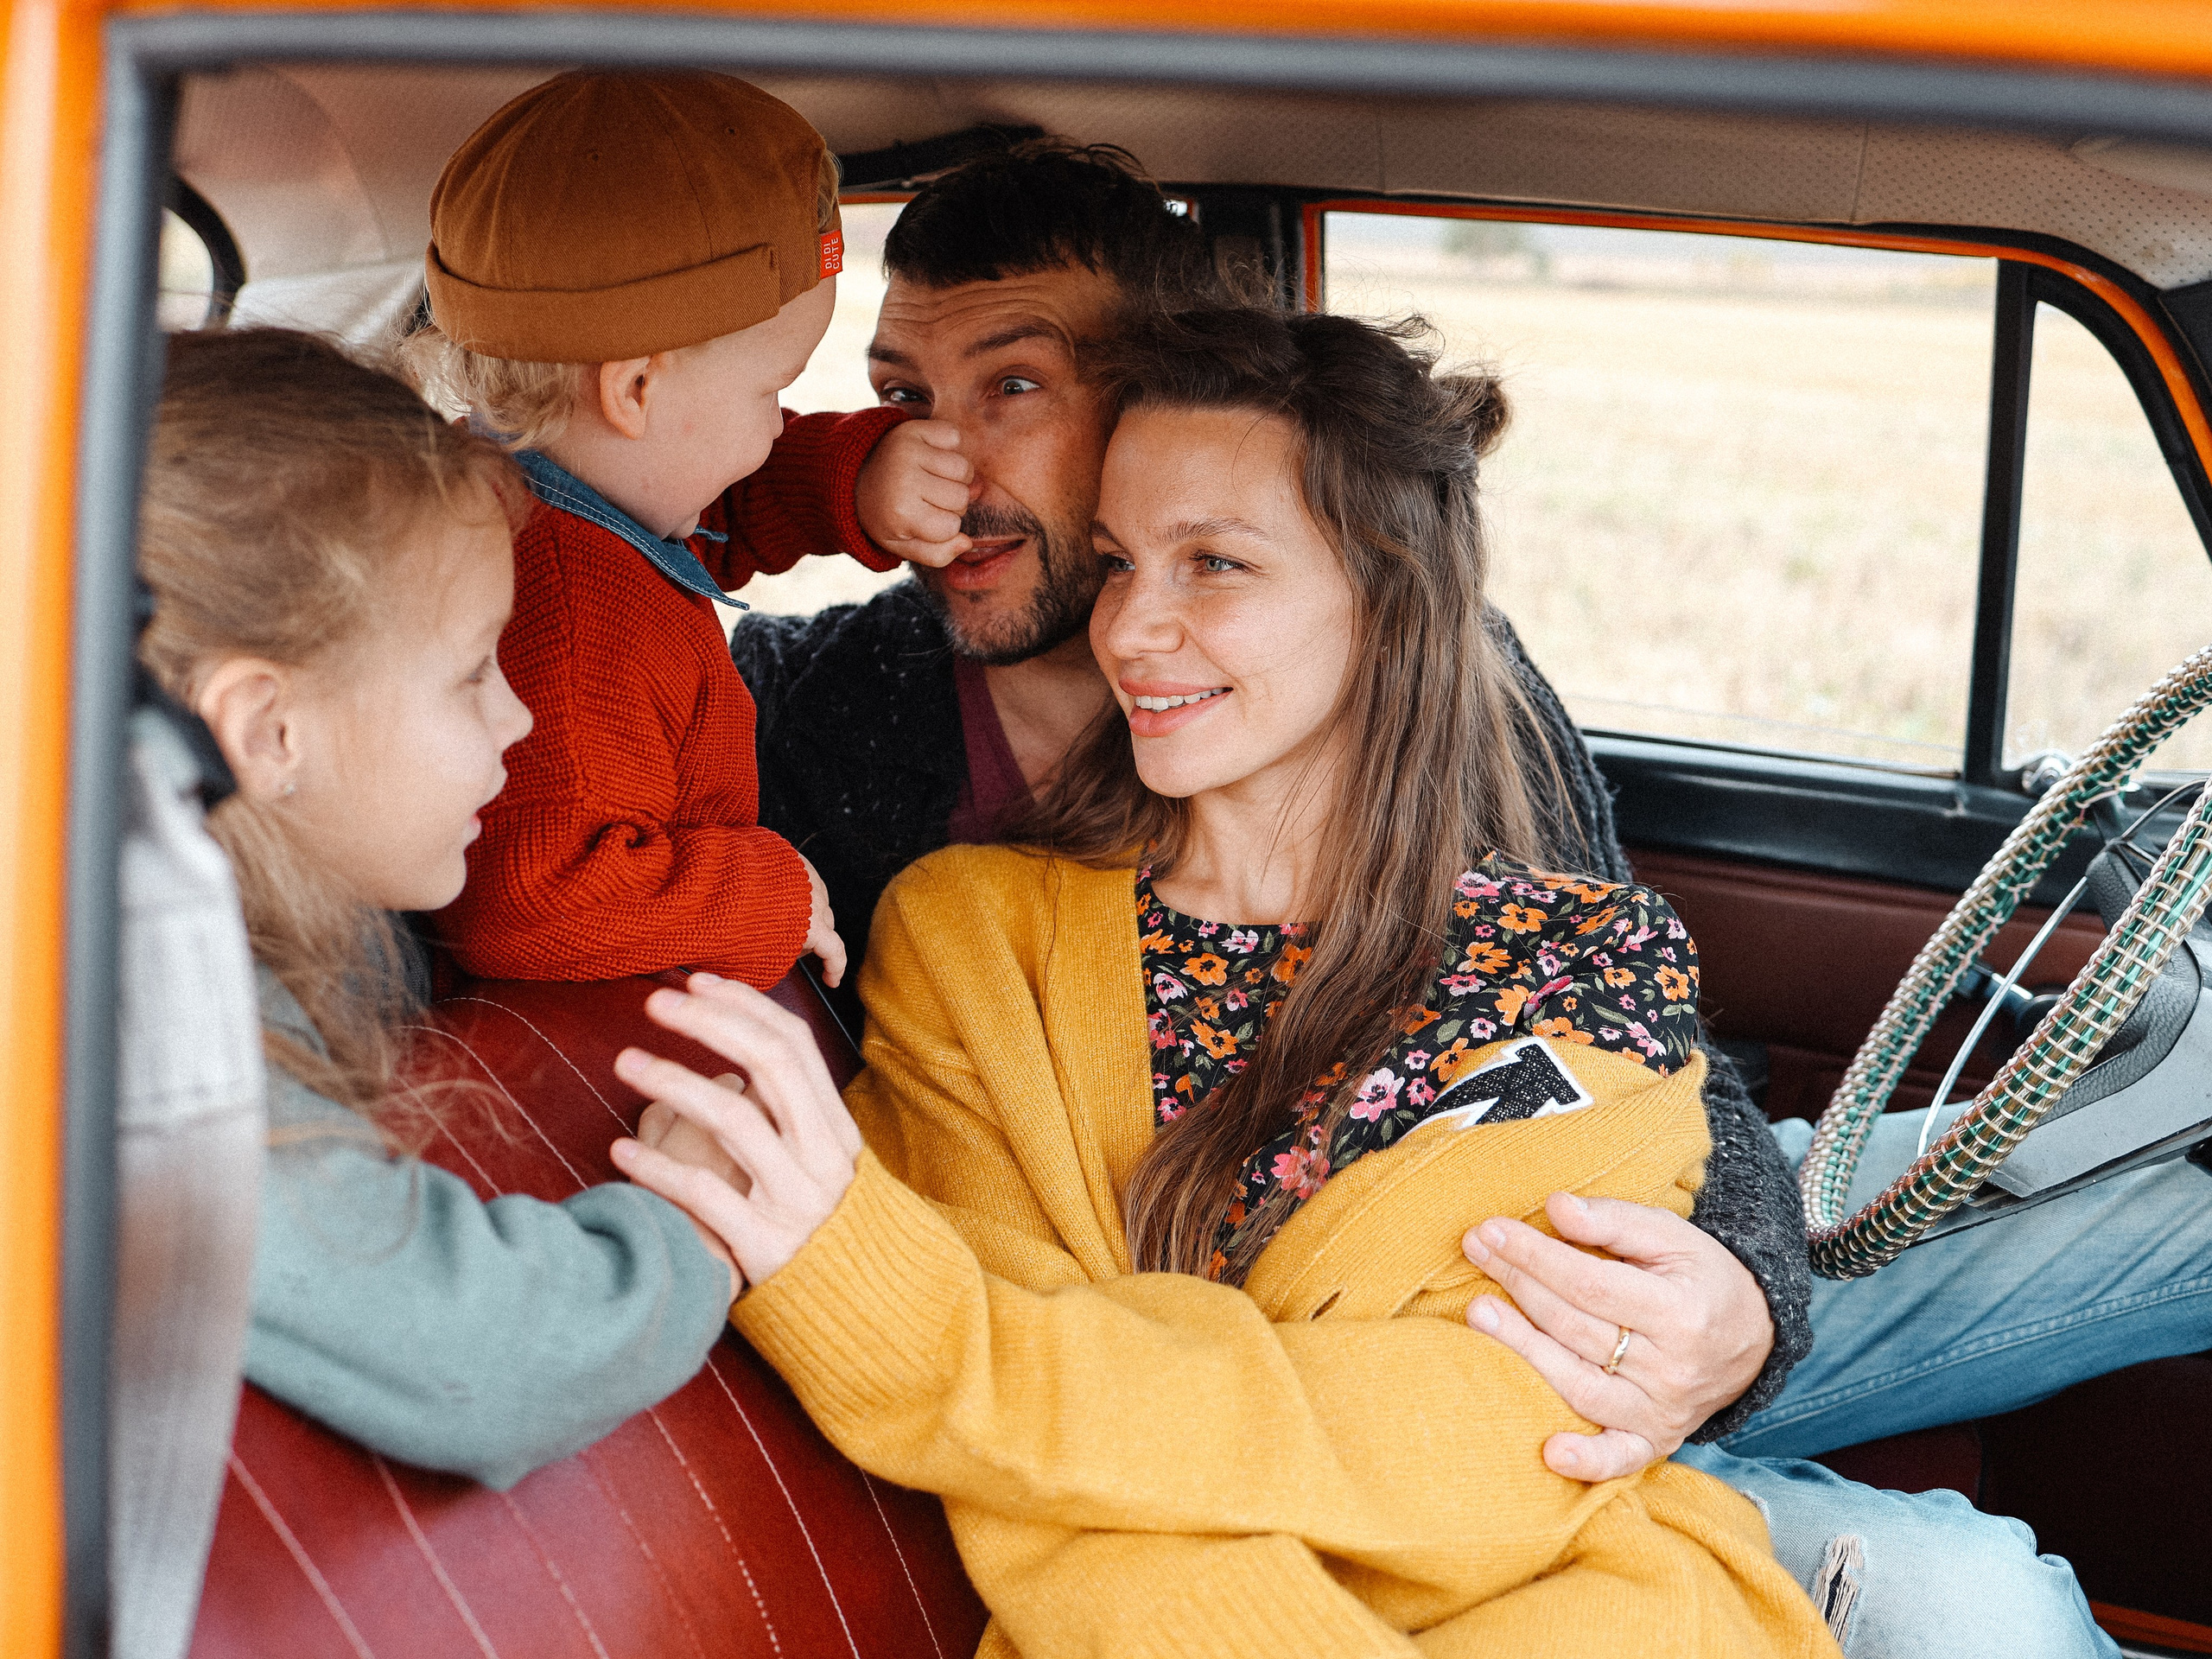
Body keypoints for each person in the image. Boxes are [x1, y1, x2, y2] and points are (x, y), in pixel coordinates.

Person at [736, 143, 2136, 1657]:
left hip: (1555, 1356)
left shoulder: (1473, 752)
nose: (937, 464)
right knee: (1967, 1597)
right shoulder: (848, 731)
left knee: (2085, 1319)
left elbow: (1613, 1103)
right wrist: (804, 496)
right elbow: (567, 606)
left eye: (1010, 388)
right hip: (1163, 1474)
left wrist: (1741, 1292)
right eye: (896, 402)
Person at [620, 307, 1839, 1656]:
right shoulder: (975, 940)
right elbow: (1023, 1484)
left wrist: (923, 1333)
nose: (1135, 626)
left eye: (1215, 563)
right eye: (1119, 561)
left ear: (1388, 602)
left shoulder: (1579, 963)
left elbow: (1499, 1440)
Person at [134, 327, 741, 1489]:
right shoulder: (135, 1048)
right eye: (473, 674)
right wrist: (695, 1231)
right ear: (267, 733)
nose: (520, 721)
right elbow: (489, 1354)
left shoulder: (305, 928)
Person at [411, 71, 969, 988]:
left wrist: (854, 480)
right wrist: (775, 890)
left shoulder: (558, 497)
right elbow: (535, 900)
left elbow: (703, 516)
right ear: (635, 390)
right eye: (770, 392)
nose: (780, 422)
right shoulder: (574, 612)